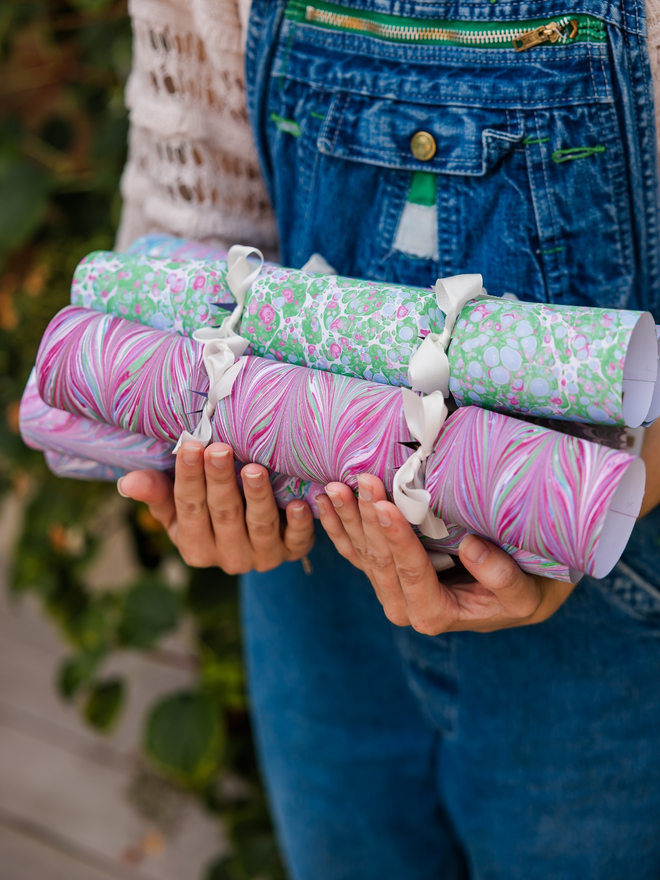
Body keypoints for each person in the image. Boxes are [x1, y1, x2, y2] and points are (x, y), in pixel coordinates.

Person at [117, 1, 660, 877]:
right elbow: (191, 222)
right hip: (312, 566)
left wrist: (604, 480)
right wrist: (188, 456)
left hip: (608, 595)